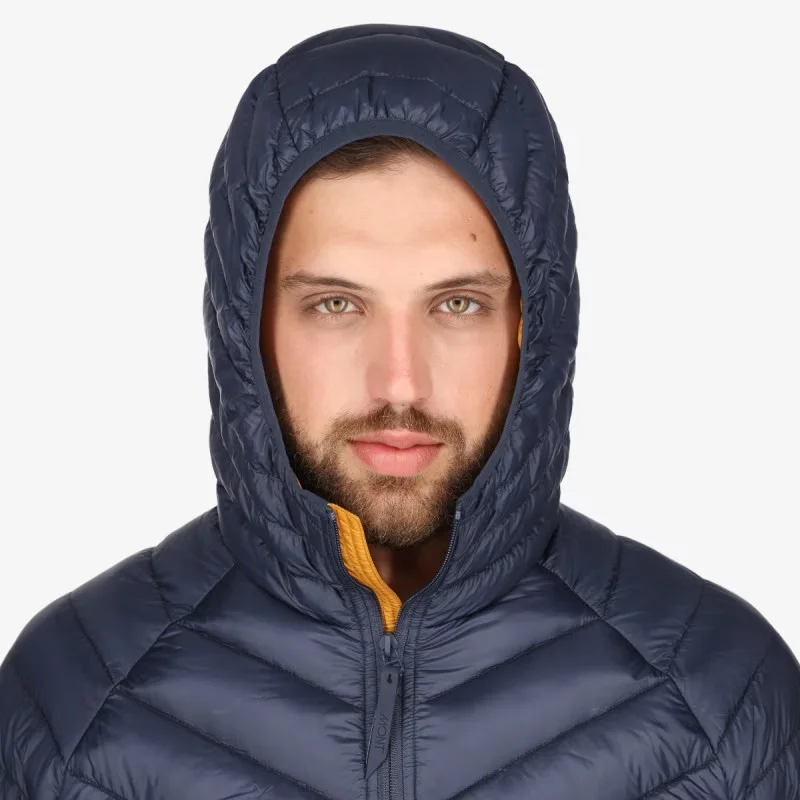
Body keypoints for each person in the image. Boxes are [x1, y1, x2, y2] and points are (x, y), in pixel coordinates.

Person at [1, 22, 798, 800]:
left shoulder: (717, 702)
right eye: (336, 304)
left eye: (456, 304)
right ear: (247, 330)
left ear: (534, 326)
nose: (400, 384)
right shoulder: (76, 706)